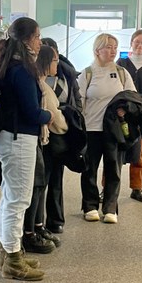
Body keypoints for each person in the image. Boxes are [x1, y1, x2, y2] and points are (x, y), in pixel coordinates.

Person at [0, 17, 51, 280]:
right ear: (27, 40)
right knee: (18, 199)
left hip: (8, 137)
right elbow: (32, 112)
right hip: (19, 138)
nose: (39, 42)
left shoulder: (7, 65)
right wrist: (49, 117)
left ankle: (10, 252)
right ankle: (13, 260)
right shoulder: (22, 70)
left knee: (10, 198)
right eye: (37, 36)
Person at [78, 33, 135, 224]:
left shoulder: (121, 73)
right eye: (108, 47)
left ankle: (111, 208)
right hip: (91, 128)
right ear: (97, 50)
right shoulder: (87, 73)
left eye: (115, 46)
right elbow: (79, 103)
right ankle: (90, 206)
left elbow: (133, 98)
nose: (113, 51)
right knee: (89, 169)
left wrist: (124, 110)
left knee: (113, 169)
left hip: (114, 130)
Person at [22, 44, 68, 254]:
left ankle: (37, 227)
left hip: (42, 140)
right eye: (55, 60)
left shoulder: (42, 83)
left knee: (41, 187)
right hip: (36, 141)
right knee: (35, 188)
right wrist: (57, 120)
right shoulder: (39, 84)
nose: (58, 64)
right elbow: (53, 115)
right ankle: (29, 233)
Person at [40, 37, 82, 233]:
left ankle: (56, 220)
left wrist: (73, 120)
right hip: (42, 132)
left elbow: (76, 98)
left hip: (61, 132)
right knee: (41, 179)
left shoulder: (66, 74)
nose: (55, 62)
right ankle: (37, 223)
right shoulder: (37, 77)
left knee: (56, 177)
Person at [116, 29, 142, 203]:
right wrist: (124, 108)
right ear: (131, 43)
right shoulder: (121, 63)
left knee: (138, 154)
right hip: (121, 113)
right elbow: (117, 87)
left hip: (141, 115)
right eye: (137, 42)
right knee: (115, 152)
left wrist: (136, 108)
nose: (140, 45)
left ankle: (136, 188)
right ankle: (108, 187)